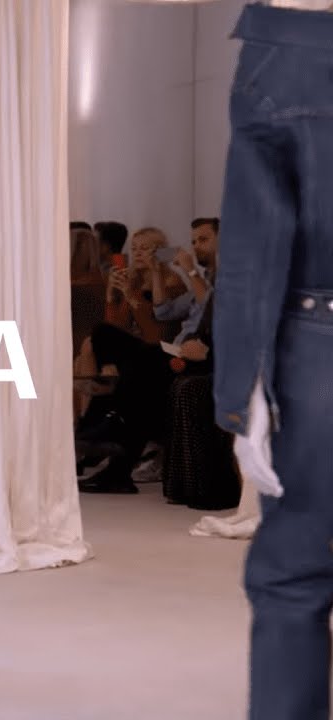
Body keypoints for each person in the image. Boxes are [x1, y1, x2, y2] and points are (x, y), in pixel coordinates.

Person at [212, 4, 333, 719]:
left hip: (319, 336)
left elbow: (255, 248)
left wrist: (243, 390)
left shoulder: (281, 56)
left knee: (295, 577)